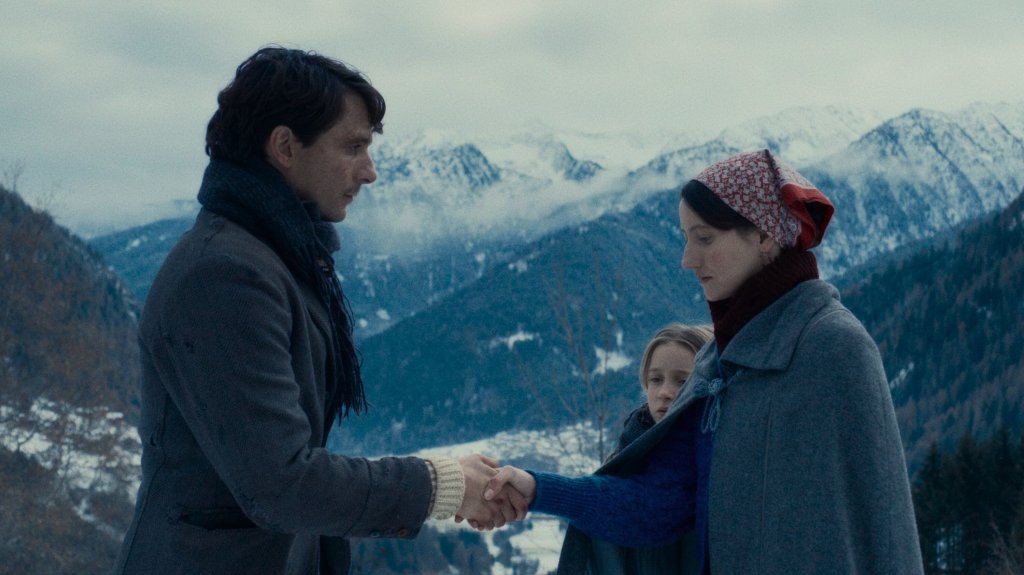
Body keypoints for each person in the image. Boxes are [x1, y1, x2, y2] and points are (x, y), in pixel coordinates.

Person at [114, 47, 524, 575]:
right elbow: (281, 482)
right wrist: (440, 485)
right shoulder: (224, 274)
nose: (370, 172)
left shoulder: (275, 259)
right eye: (353, 146)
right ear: (285, 145)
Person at [487, 149, 924, 574]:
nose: (686, 259)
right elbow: (659, 504)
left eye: (705, 238)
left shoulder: (834, 347)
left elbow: (879, 530)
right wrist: (539, 489)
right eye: (685, 238)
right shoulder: (718, 362)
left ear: (764, 236)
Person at [612, 324, 713, 458]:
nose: (664, 393)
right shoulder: (624, 457)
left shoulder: (727, 458)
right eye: (656, 379)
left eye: (683, 382)